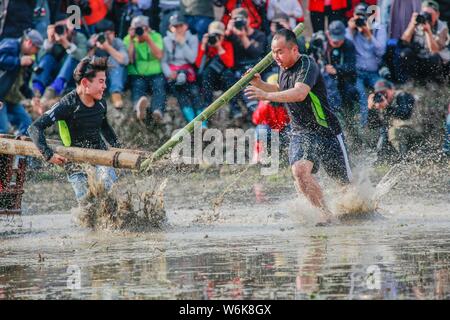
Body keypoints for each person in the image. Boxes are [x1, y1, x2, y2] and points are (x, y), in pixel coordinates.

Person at [245, 29, 353, 226]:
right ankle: (325, 215)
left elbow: (299, 93)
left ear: (294, 49)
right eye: (273, 52)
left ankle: (361, 211)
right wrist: (261, 85)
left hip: (327, 131)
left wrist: (265, 96)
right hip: (301, 132)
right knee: (299, 172)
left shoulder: (307, 64)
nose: (276, 57)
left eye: (280, 52)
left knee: (344, 185)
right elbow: (281, 88)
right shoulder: (282, 65)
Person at [29, 57, 121, 202]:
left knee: (108, 196)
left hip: (100, 159)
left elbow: (105, 127)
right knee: (87, 207)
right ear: (85, 82)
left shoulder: (101, 102)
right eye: (101, 81)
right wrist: (48, 155)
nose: (105, 86)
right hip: (74, 164)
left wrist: (118, 149)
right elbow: (34, 128)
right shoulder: (66, 105)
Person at [32, 18, 88, 111]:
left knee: (72, 57)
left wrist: (67, 44)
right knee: (47, 58)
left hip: (69, 77)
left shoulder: (79, 37)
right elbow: (39, 59)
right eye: (59, 27)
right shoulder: (52, 37)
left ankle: (53, 90)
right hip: (51, 73)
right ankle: (37, 91)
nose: (62, 30)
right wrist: (49, 42)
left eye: (65, 27)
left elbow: (83, 57)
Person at [346, 3, 387, 127]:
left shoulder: (378, 28)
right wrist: (350, 30)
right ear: (353, 16)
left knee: (382, 93)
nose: (360, 20)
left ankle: (384, 129)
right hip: (357, 73)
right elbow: (345, 46)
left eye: (363, 17)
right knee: (362, 97)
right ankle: (364, 129)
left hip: (374, 73)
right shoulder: (350, 30)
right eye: (358, 16)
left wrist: (369, 35)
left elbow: (381, 51)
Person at [225, 8, 266, 121]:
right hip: (237, 70)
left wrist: (243, 36)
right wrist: (229, 29)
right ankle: (240, 110)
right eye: (235, 20)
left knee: (248, 77)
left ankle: (255, 112)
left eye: (241, 19)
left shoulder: (259, 35)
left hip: (255, 68)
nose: (239, 22)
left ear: (248, 20)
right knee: (228, 75)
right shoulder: (232, 35)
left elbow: (256, 53)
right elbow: (220, 42)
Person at [161, 13, 203, 124]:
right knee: (181, 95)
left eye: (180, 26)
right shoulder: (166, 40)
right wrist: (169, 73)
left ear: (186, 26)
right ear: (171, 28)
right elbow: (164, 61)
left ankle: (203, 123)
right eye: (175, 26)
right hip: (174, 73)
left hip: (188, 72)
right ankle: (192, 122)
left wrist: (183, 43)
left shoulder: (192, 39)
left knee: (195, 93)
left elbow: (192, 59)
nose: (178, 29)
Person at [0, 29, 43, 136]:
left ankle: (20, 152)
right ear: (29, 42)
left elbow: (22, 84)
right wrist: (18, 61)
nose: (36, 52)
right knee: (3, 129)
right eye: (36, 48)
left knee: (27, 124)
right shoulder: (11, 44)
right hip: (1, 97)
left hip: (11, 98)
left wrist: (33, 97)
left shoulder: (26, 58)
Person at [123, 15, 166, 122]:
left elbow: (159, 55)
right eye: (136, 28)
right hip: (138, 74)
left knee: (159, 88)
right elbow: (129, 60)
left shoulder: (156, 36)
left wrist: (148, 39)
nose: (139, 30)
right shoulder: (128, 39)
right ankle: (139, 109)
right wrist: (132, 41)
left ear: (147, 28)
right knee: (137, 87)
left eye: (141, 28)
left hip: (155, 72)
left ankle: (157, 111)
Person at [367, 79, 421, 162]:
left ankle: (405, 161)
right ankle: (381, 160)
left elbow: (405, 114)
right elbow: (372, 126)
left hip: (415, 131)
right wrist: (371, 109)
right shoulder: (382, 103)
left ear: (392, 90)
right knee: (382, 132)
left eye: (384, 92)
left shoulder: (402, 95)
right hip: (400, 134)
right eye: (379, 93)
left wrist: (387, 107)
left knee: (393, 131)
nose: (382, 95)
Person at [400, 0, 449, 82]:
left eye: (430, 14)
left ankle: (433, 86)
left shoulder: (443, 27)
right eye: (425, 13)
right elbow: (404, 41)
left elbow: (434, 50)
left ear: (437, 15)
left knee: (434, 58)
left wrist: (428, 31)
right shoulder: (418, 22)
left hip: (436, 62)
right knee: (405, 53)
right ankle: (409, 83)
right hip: (420, 57)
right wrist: (412, 25)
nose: (427, 16)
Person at [196, 21, 235, 122]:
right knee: (207, 72)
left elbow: (230, 64)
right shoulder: (206, 46)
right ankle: (207, 105)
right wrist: (203, 46)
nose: (216, 38)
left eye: (219, 35)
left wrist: (219, 47)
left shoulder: (227, 45)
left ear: (223, 36)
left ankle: (235, 107)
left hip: (223, 80)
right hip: (209, 80)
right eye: (214, 35)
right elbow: (198, 65)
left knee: (228, 74)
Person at [88, 19, 129, 109]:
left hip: (117, 79)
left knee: (114, 60)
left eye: (109, 33)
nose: (107, 37)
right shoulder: (94, 42)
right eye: (104, 35)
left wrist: (107, 47)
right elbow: (83, 62)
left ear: (114, 33)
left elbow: (125, 60)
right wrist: (93, 48)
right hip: (100, 80)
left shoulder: (118, 42)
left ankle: (115, 94)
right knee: (95, 61)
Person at [251, 73, 290, 164]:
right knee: (261, 129)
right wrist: (264, 104)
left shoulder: (288, 100)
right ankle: (257, 156)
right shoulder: (265, 101)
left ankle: (291, 155)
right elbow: (256, 120)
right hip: (270, 132)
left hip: (284, 131)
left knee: (293, 129)